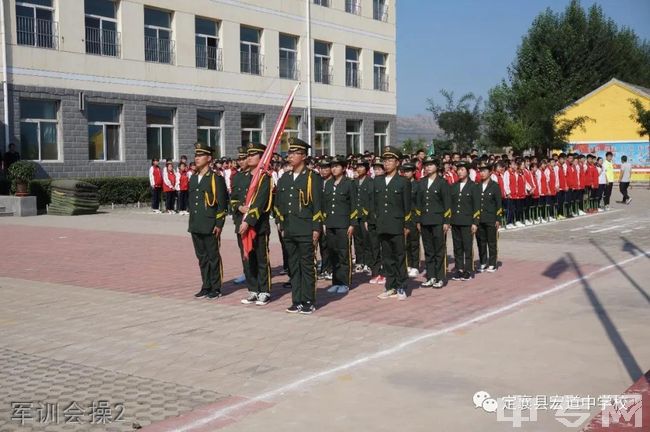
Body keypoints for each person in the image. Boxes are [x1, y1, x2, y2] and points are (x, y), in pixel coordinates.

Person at [274, 138, 323, 314]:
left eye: (295, 153)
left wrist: (316, 228)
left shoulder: (312, 177)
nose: (290, 156)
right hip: (289, 229)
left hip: (306, 228)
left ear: (303, 156)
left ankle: (308, 300)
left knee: (307, 266)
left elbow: (317, 205)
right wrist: (280, 223)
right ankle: (297, 300)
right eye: (290, 153)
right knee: (293, 266)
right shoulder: (285, 178)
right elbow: (279, 203)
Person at [189, 142, 229, 299]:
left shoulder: (215, 178)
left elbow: (222, 204)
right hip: (196, 224)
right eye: (196, 155)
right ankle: (206, 285)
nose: (197, 158)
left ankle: (216, 287)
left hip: (210, 224)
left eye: (200, 155)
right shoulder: (193, 178)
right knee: (202, 258)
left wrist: (219, 224)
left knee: (213, 257)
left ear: (209, 158)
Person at [373, 146, 411, 301]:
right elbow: (375, 204)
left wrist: (407, 225)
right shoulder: (378, 181)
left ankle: (401, 286)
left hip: (397, 225)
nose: (387, 163)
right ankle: (390, 286)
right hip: (383, 224)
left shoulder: (403, 182)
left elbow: (408, 206)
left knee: (400, 256)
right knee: (387, 257)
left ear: (397, 162)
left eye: (390, 160)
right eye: (385, 160)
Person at [238, 142, 273, 306]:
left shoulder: (264, 178)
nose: (249, 157)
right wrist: (239, 207)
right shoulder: (243, 177)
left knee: (261, 258)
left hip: (258, 226)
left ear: (261, 158)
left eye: (253, 155)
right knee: (248, 259)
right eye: (249, 155)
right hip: (243, 225)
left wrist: (249, 221)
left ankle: (264, 290)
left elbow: (260, 202)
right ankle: (253, 289)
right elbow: (236, 198)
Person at [323, 156, 358, 294]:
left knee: (344, 253)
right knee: (333, 253)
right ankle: (336, 281)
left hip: (344, 224)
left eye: (337, 166)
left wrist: (352, 224)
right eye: (332, 166)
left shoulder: (349, 183)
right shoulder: (329, 183)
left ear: (343, 168)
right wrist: (325, 222)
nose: (334, 169)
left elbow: (355, 205)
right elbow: (326, 205)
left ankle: (344, 282)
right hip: (331, 223)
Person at [416, 157, 451, 288]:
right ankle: (430, 276)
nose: (428, 167)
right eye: (426, 165)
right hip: (425, 220)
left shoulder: (442, 182)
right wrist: (418, 220)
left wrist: (446, 221)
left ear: (437, 166)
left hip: (438, 220)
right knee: (428, 250)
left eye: (431, 165)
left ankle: (440, 277)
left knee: (439, 250)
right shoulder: (422, 182)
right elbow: (418, 203)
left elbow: (447, 203)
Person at [450, 162, 480, 281]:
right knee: (457, 247)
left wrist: (475, 222)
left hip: (467, 221)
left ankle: (468, 269)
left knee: (467, 246)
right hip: (456, 221)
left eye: (462, 169)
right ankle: (459, 269)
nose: (460, 172)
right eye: (458, 170)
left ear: (467, 171)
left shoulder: (474, 186)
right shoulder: (454, 186)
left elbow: (476, 206)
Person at [477, 165, 502, 273]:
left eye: (484, 171)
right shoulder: (477, 186)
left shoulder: (495, 186)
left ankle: (492, 263)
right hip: (479, 219)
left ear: (490, 172)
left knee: (491, 242)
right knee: (481, 242)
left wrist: (498, 219)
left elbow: (498, 204)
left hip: (491, 218)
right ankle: (483, 262)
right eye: (480, 171)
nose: (482, 173)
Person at [400, 161, 420, 278]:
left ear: (413, 172)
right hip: (404, 217)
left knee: (414, 242)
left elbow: (419, 203)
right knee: (405, 242)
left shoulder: (417, 185)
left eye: (408, 171)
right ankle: (408, 264)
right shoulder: (402, 184)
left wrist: (418, 219)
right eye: (404, 171)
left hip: (414, 216)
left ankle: (415, 266)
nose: (406, 173)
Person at [353, 159, 373, 276]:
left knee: (367, 240)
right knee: (358, 239)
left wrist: (368, 217)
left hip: (366, 216)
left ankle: (368, 262)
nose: (359, 169)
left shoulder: (370, 182)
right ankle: (359, 261)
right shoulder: (353, 182)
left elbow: (371, 201)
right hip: (356, 215)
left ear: (366, 169)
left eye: (361, 167)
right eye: (358, 167)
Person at [368, 158, 385, 284]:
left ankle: (384, 272)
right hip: (372, 220)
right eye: (375, 169)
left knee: (384, 247)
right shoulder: (371, 182)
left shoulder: (386, 182)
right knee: (374, 247)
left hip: (383, 220)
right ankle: (375, 272)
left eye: (379, 168)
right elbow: (367, 202)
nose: (377, 171)